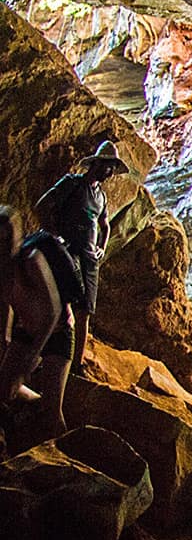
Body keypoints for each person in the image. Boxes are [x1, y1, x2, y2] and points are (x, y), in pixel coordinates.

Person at [34, 140, 130, 376]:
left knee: (85, 311)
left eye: (113, 168)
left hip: (89, 259)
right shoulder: (72, 184)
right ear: (95, 163)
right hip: (67, 253)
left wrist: (102, 248)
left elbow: (104, 225)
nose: (109, 172)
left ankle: (76, 366)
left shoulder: (101, 197)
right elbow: (43, 205)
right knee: (60, 307)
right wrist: (54, 236)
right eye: (107, 166)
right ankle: (46, 359)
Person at [0, 207, 79, 442]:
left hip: (57, 334)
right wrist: (4, 340)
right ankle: (36, 405)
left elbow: (53, 310)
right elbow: (6, 305)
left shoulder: (32, 259)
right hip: (27, 332)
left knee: (53, 412)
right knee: (4, 390)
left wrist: (34, 353)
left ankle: (67, 463)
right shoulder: (3, 268)